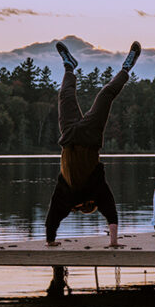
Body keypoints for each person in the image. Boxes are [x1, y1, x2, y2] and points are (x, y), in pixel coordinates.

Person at [45, 40, 141, 247]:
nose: (87, 208)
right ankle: (127, 68)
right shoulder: (96, 191)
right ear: (91, 205)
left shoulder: (66, 196)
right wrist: (113, 242)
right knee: (106, 94)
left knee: (65, 95)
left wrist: (51, 241)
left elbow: (52, 219)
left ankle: (69, 66)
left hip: (69, 135)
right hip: (89, 137)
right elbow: (112, 214)